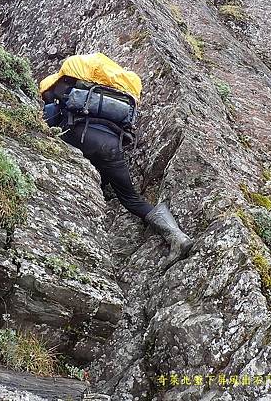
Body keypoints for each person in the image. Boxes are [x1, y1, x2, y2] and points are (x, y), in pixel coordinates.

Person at [41, 68, 194, 268]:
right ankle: (177, 237)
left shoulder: (65, 90)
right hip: (112, 146)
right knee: (132, 199)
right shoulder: (116, 97)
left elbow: (48, 122)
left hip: (79, 135)